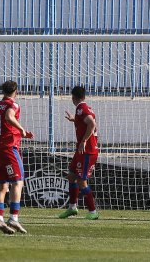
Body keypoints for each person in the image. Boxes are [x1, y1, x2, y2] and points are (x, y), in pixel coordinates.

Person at [0, 80, 34, 234]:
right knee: (18, 182)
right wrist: (20, 128)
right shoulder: (12, 105)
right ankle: (13, 218)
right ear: (16, 92)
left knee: (2, 185)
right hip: (8, 148)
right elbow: (9, 117)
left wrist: (21, 133)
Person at [59, 86, 99, 220]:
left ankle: (93, 211)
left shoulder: (82, 108)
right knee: (71, 176)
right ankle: (72, 207)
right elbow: (85, 122)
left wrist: (84, 141)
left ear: (73, 97)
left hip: (87, 150)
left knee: (82, 181)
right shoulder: (83, 108)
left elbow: (91, 124)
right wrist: (74, 119)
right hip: (81, 150)